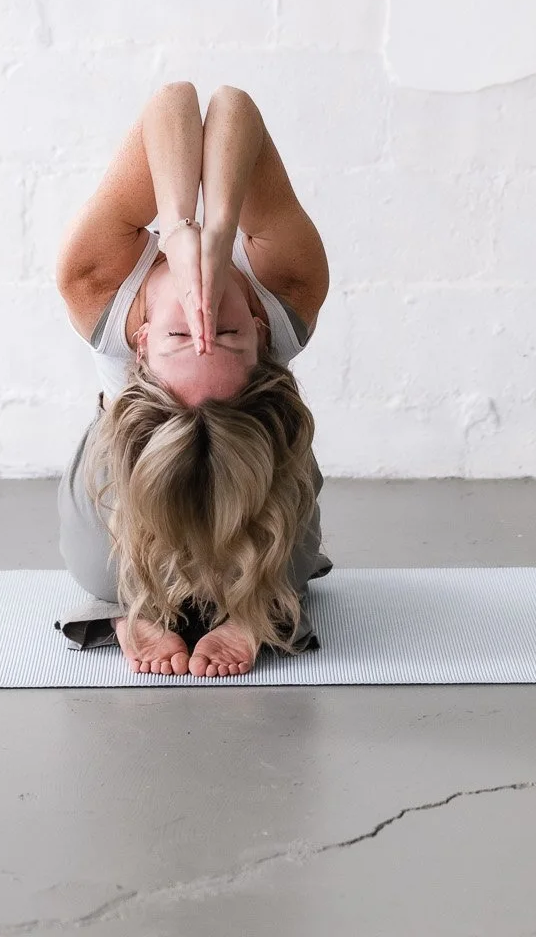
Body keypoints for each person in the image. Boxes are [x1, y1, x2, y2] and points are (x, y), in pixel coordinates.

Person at [53, 81, 332, 677]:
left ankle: (252, 604)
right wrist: (186, 229)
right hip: (141, 475)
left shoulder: (97, 284)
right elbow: (186, 100)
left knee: (282, 553)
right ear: (141, 342)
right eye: (219, 334)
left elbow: (220, 105)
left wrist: (214, 226)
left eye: (196, 337)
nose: (204, 318)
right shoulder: (288, 292)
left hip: (249, 470)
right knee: (109, 572)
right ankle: (141, 607)